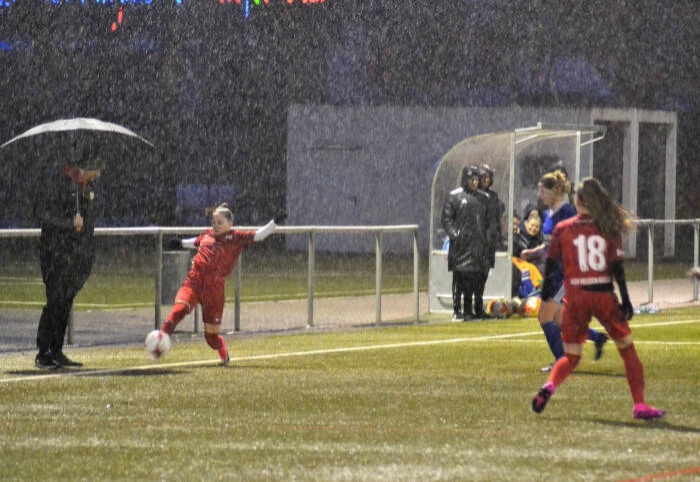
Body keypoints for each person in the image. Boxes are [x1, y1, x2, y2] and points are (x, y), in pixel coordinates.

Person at [532, 178, 665, 420]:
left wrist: (544, 295)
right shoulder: (607, 227)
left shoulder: (563, 228)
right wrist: (626, 300)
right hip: (602, 294)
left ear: (578, 201)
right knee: (627, 349)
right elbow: (617, 268)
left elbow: (550, 266)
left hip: (576, 297)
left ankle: (548, 387)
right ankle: (639, 404)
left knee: (571, 356)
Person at [160, 203, 277, 364]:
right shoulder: (207, 234)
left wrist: (274, 222)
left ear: (230, 224)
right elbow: (197, 242)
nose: (215, 225)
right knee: (180, 308)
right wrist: (181, 243)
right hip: (195, 279)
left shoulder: (236, 237)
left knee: (211, 339)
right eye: (213, 222)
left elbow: (258, 235)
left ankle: (222, 351)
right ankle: (161, 337)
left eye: (220, 222)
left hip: (214, 288)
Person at [521, 171, 608, 372]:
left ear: (554, 192)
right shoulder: (547, 214)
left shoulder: (567, 212)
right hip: (553, 274)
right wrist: (533, 252)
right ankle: (597, 338)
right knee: (561, 320)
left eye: (543, 191)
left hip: (565, 275)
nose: (540, 195)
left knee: (544, 317)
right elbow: (550, 245)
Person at [34, 163, 102, 369]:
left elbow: (88, 222)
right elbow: (43, 215)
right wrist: (69, 224)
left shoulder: (84, 192)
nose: (95, 175)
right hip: (55, 255)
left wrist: (86, 198)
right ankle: (43, 352)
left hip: (75, 257)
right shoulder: (56, 186)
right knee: (55, 301)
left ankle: (56, 349)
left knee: (65, 302)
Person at [441, 165, 490, 321]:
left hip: (476, 246)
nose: (474, 182)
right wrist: (456, 235)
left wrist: (485, 239)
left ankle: (469, 310)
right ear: (465, 180)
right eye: (471, 179)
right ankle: (457, 310)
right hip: (460, 247)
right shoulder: (454, 196)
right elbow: (446, 219)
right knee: (459, 278)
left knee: (474, 279)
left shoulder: (483, 198)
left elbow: (488, 221)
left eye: (476, 179)